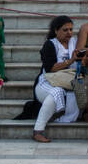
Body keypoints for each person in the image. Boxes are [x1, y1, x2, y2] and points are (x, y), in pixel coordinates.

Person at [32, 15, 81, 143]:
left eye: (71, 29)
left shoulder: (75, 42)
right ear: (56, 31)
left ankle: (58, 114)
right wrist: (70, 61)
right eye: (65, 30)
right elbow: (50, 68)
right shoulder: (50, 44)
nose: (69, 33)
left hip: (67, 82)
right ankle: (38, 131)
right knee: (57, 92)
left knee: (66, 91)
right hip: (46, 83)